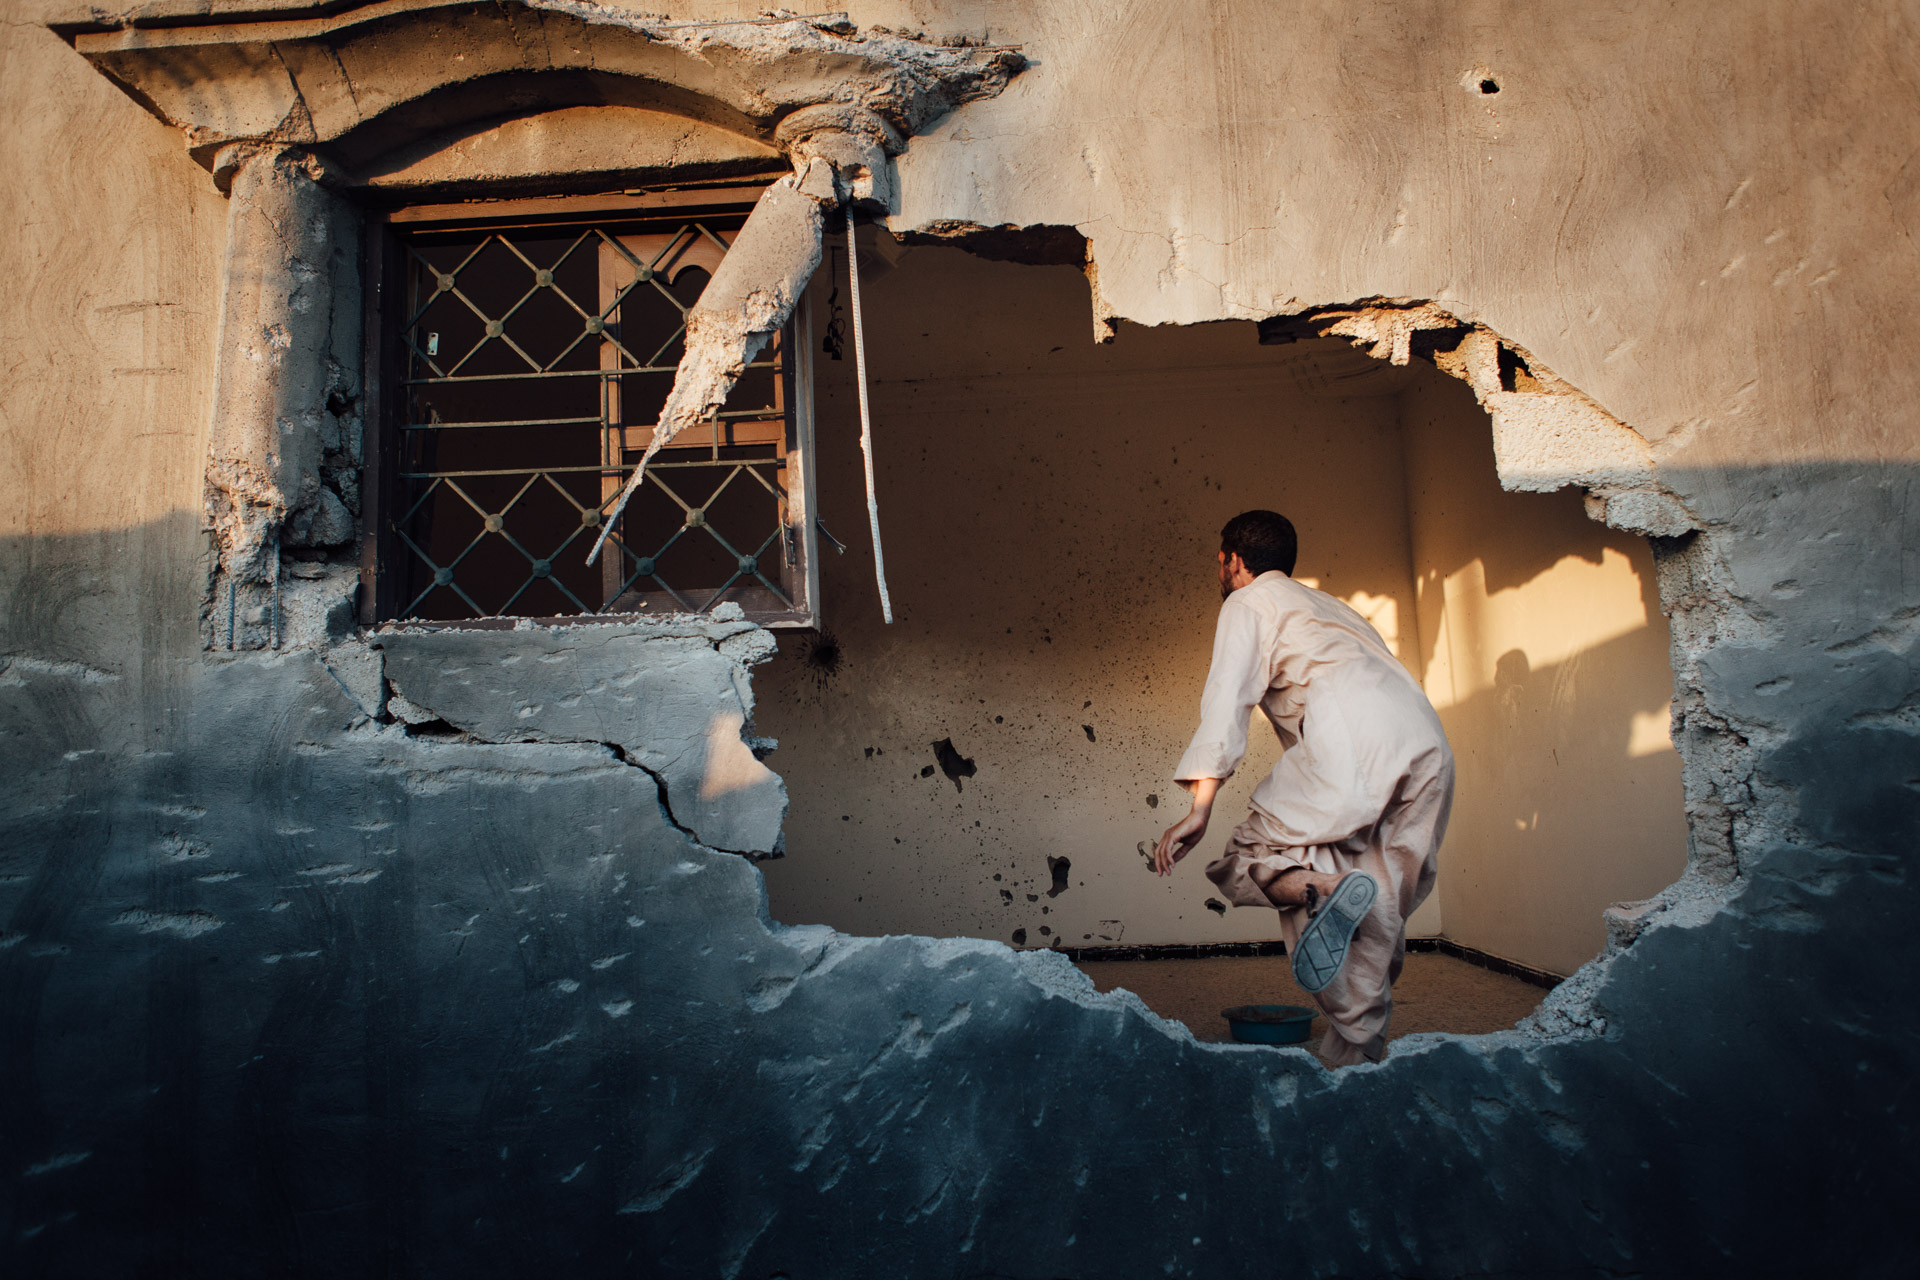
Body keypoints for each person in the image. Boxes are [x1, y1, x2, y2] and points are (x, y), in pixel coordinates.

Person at [1152, 510, 1453, 1066]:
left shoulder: (1247, 603)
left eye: (1218, 563)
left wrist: (1199, 808)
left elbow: (1226, 703)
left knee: (1246, 857)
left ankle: (1321, 890)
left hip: (1351, 740)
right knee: (1379, 911)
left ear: (1233, 561)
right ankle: (1355, 1065)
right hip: (1427, 748)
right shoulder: (1337, 607)